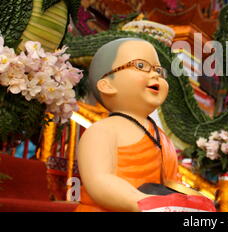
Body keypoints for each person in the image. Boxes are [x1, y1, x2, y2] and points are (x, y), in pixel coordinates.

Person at [75, 38, 214, 212]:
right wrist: (144, 202)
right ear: (107, 84)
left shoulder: (162, 137)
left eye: (158, 70)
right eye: (141, 66)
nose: (155, 75)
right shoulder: (102, 131)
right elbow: (100, 181)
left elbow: (172, 184)